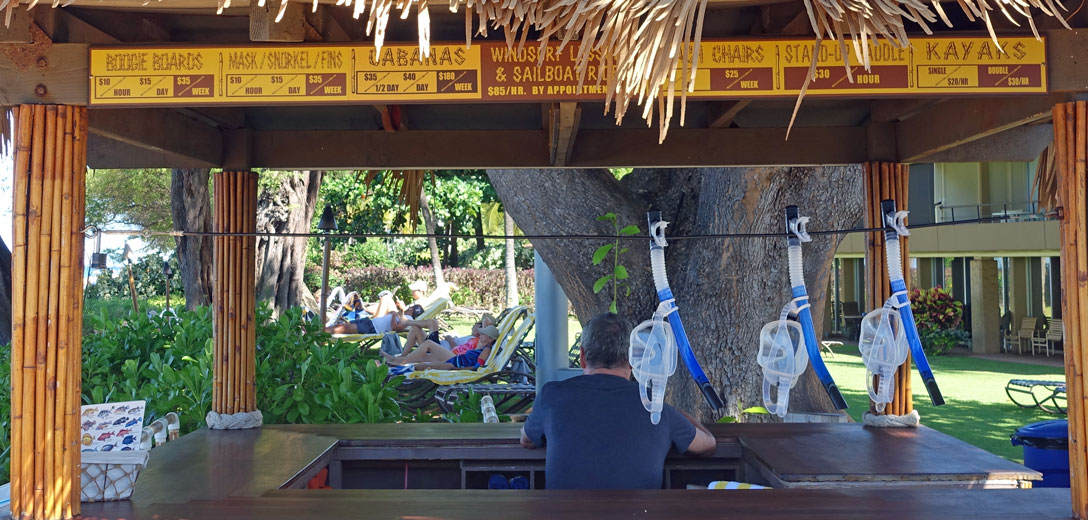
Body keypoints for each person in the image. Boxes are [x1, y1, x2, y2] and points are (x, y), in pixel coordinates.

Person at [519, 312, 716, 489]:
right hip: (638, 513)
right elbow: (707, 445)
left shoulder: (551, 396)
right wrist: (678, 414)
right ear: (633, 358)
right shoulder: (652, 405)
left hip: (564, 513)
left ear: (582, 356)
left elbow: (526, 440)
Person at [384, 325, 500, 370]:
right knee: (422, 357)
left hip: (454, 360)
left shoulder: (485, 348)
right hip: (453, 357)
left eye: (483, 334)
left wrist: (460, 370)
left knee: (428, 343)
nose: (480, 334)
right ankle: (394, 361)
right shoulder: (478, 343)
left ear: (490, 339)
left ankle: (400, 363)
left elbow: (477, 367)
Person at [400, 312, 495, 357]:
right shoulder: (471, 339)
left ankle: (406, 322)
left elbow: (458, 352)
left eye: (477, 325)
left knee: (433, 323)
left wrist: (450, 339)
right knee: (415, 329)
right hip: (437, 347)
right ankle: (403, 356)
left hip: (439, 351)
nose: (473, 326)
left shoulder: (476, 340)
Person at [325, 303, 440, 335]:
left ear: (412, 309)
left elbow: (395, 327)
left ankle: (319, 333)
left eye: (411, 306)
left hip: (372, 328)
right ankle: (320, 333)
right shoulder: (403, 314)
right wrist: (394, 313)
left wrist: (394, 315)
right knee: (341, 326)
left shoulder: (408, 319)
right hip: (370, 322)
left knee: (342, 327)